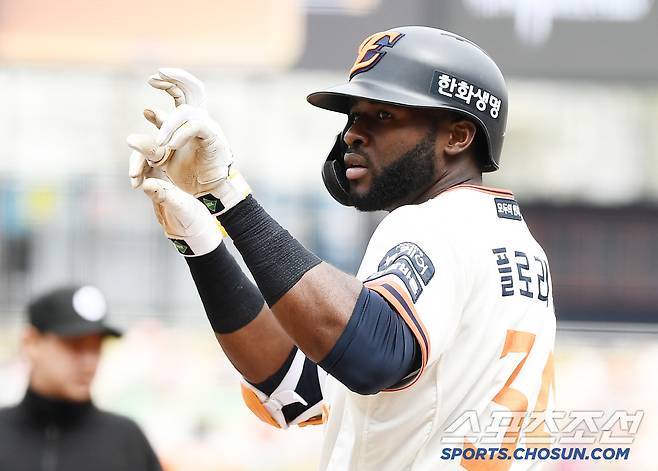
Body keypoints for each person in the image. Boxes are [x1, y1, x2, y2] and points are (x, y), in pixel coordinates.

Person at [128, 26, 556, 470]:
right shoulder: (510, 241)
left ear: (458, 136)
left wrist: (229, 195)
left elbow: (372, 354)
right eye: (353, 116)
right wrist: (203, 245)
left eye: (384, 115)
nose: (352, 134)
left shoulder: (435, 223)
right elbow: (296, 388)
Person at [0, 285, 162, 471]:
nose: (89, 362)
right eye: (75, 345)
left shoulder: (127, 441)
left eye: (96, 347)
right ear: (32, 342)